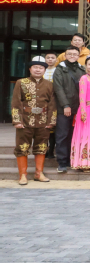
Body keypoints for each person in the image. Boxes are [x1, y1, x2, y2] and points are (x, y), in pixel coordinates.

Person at [12, 57, 56, 185]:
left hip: (43, 121)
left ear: (44, 70)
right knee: (22, 147)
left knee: (42, 147)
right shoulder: (21, 82)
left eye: (41, 68)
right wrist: (17, 120)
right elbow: (16, 102)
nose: (38, 70)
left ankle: (39, 173)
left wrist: (51, 121)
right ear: (30, 69)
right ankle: (23, 175)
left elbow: (52, 104)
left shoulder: (49, 84)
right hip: (25, 120)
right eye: (35, 67)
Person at [53, 46, 86, 173]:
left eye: (75, 54)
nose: (72, 56)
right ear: (65, 55)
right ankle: (62, 161)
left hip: (79, 108)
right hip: (64, 108)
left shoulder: (82, 69)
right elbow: (58, 88)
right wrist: (66, 105)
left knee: (75, 135)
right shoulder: (59, 69)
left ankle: (73, 159)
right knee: (62, 135)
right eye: (70, 54)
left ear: (78, 56)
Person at [69, 56, 90, 173]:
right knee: (86, 136)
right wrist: (83, 111)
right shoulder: (84, 78)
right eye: (89, 64)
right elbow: (82, 96)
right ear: (86, 66)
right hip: (87, 110)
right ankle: (84, 163)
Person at [43, 52, 58, 159]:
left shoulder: (58, 71)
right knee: (43, 128)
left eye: (52, 58)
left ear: (56, 60)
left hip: (54, 101)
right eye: (48, 58)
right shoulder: (41, 70)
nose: (50, 59)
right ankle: (44, 150)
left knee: (53, 127)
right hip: (42, 101)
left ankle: (51, 151)